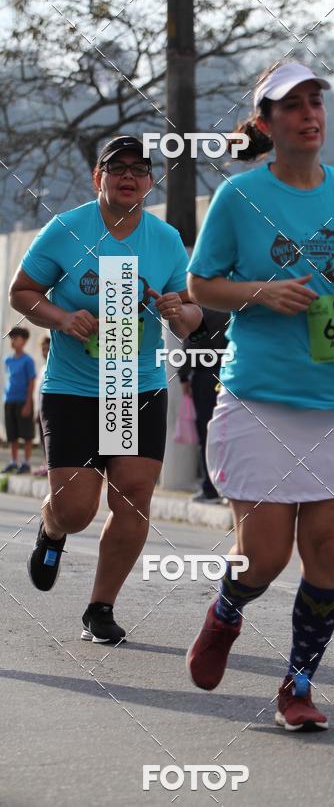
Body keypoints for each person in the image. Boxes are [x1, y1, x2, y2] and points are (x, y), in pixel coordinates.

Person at [186, 62, 334, 731]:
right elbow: (200, 285)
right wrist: (261, 292)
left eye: (316, 102)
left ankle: (298, 684)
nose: (310, 114)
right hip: (262, 398)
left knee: (330, 550)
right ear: (266, 123)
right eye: (293, 105)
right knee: (265, 556)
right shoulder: (239, 197)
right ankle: (227, 612)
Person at [9, 135, 202, 643]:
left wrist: (178, 311)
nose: (129, 176)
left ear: (150, 181)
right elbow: (21, 292)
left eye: (140, 169)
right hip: (73, 388)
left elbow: (190, 314)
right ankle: (52, 529)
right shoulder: (67, 229)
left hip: (133, 385)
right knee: (76, 510)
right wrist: (62, 317)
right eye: (118, 168)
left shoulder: (164, 239)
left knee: (133, 497)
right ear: (99, 177)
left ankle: (100, 606)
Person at [177, 307, 229, 501]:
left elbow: (190, 345)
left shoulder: (199, 310)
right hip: (230, 374)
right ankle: (227, 487)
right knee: (229, 433)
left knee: (206, 432)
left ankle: (210, 488)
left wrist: (184, 376)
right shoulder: (234, 308)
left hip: (205, 376)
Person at [2, 326, 36, 474]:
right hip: (10, 400)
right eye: (11, 338)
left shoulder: (28, 360)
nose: (13, 341)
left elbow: (31, 382)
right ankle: (13, 461)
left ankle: (26, 463)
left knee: (27, 434)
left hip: (23, 401)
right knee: (12, 434)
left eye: (16, 338)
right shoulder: (7, 360)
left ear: (24, 341)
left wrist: (28, 403)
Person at [33, 335, 50, 476]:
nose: (44, 352)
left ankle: (50, 466)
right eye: (43, 349)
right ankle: (45, 464)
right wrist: (36, 410)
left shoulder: (53, 367)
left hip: (50, 408)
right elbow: (37, 392)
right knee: (42, 439)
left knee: (49, 440)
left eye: (47, 349)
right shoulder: (42, 368)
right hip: (40, 409)